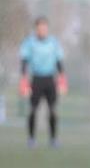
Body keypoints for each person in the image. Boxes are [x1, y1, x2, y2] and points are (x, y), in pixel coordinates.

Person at [18, 16, 66, 148]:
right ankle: (31, 139)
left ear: (47, 29)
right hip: (36, 79)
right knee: (33, 110)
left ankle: (53, 139)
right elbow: (24, 62)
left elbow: (59, 62)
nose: (42, 30)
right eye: (40, 28)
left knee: (52, 110)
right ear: (36, 29)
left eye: (44, 28)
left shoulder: (54, 43)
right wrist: (24, 81)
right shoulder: (29, 43)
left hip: (50, 79)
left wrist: (62, 80)